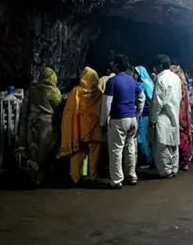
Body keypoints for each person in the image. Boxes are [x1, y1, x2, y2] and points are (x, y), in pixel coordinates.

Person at [101, 55, 145, 189]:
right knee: (131, 147)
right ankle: (131, 175)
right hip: (132, 119)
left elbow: (107, 104)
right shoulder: (132, 81)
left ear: (116, 65)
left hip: (118, 118)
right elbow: (141, 97)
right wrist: (137, 113)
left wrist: (103, 122)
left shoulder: (112, 81)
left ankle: (117, 180)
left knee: (116, 149)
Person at [17, 66, 63, 185]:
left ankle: (33, 178)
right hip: (48, 127)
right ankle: (43, 177)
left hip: (32, 125)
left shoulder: (32, 90)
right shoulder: (54, 91)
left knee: (33, 152)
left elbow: (24, 110)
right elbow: (59, 108)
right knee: (46, 152)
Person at [59, 66, 104, 183]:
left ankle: (75, 177)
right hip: (95, 126)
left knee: (78, 153)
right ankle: (93, 176)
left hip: (79, 127)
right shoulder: (99, 93)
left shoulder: (76, 91)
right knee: (95, 154)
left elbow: (70, 110)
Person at [150, 55, 182, 178]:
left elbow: (157, 101)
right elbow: (179, 97)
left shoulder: (161, 78)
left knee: (162, 145)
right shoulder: (176, 78)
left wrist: (153, 119)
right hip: (174, 112)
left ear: (160, 65)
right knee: (173, 143)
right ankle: (174, 167)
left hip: (163, 115)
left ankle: (166, 170)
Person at [170, 64, 193, 171]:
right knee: (183, 136)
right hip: (184, 113)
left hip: (180, 113)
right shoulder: (184, 84)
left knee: (181, 137)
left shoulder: (179, 85)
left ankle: (184, 161)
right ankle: (184, 161)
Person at [134, 65, 155, 168]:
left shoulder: (145, 84)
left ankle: (148, 160)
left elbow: (151, 99)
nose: (134, 75)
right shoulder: (146, 83)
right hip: (143, 114)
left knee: (143, 138)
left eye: (136, 73)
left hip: (144, 114)